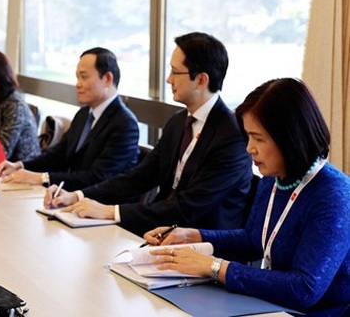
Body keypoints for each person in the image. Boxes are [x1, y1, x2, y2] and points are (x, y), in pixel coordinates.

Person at [143, 78, 350, 315]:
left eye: (258, 138)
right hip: (271, 307)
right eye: (248, 137)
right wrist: (193, 235)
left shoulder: (334, 196)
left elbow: (304, 288)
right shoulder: (275, 177)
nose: (249, 148)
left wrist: (215, 267)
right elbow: (254, 239)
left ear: (291, 137)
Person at [46, 33, 252, 235]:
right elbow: (140, 177)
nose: (169, 79)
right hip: (160, 234)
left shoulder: (232, 135)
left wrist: (110, 211)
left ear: (200, 80)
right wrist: (78, 196)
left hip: (200, 246)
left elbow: (190, 207)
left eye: (175, 72)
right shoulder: (178, 121)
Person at [0, 47, 140, 192]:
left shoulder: (125, 124)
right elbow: (58, 155)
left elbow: (97, 177)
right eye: (77, 77)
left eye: (84, 77)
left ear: (107, 79)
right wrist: (20, 166)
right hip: (70, 197)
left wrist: (41, 178)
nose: (78, 84)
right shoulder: (84, 114)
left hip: (99, 206)